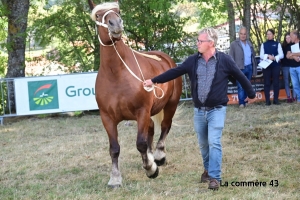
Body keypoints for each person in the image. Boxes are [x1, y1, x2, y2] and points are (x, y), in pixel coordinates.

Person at [143, 28, 256, 190]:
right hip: (199, 111)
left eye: (200, 41)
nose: (197, 43)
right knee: (203, 144)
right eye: (197, 40)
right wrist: (153, 80)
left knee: (214, 142)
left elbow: (240, 76)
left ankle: (215, 177)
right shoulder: (192, 61)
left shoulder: (225, 60)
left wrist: (251, 93)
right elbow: (174, 72)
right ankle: (208, 169)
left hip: (217, 110)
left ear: (211, 43)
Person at [229, 26, 257, 108]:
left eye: (244, 34)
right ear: (239, 34)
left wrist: (253, 69)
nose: (243, 35)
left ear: (246, 34)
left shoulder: (249, 43)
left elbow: (253, 57)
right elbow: (231, 58)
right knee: (240, 86)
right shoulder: (234, 44)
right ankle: (241, 103)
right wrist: (232, 70)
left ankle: (246, 101)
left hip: (249, 67)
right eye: (241, 34)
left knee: (247, 86)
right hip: (239, 68)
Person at [259, 29, 284, 105]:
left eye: (270, 34)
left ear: (273, 35)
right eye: (267, 34)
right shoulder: (264, 44)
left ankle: (276, 100)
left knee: (276, 83)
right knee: (267, 83)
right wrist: (267, 56)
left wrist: (274, 58)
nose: (269, 35)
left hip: (275, 65)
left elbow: (281, 55)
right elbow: (261, 55)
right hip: (266, 66)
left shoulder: (277, 44)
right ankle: (267, 101)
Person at [286, 29, 300, 103]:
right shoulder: (290, 45)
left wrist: (293, 54)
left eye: (291, 36)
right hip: (292, 67)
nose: (290, 38)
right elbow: (288, 55)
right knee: (295, 85)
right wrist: (294, 56)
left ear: (295, 36)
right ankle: (299, 99)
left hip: (299, 67)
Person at [281, 32, 294, 103]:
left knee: (294, 82)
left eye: (289, 37)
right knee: (286, 82)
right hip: (285, 66)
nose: (287, 39)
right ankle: (288, 97)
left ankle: (295, 96)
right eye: (286, 38)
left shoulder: (294, 45)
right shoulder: (283, 46)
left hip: (293, 65)